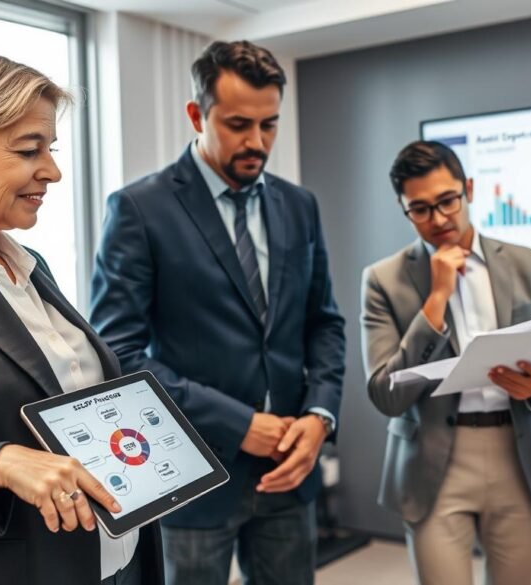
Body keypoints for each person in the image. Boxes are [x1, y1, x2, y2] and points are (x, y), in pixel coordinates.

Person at [89, 40, 345, 585]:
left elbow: (324, 323)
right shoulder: (139, 209)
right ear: (195, 115)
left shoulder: (299, 205)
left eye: (269, 125)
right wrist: (239, 423)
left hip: (289, 471)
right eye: (237, 124)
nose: (257, 142)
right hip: (192, 477)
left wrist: (319, 419)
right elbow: (119, 355)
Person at [0, 37, 163, 585]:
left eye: (51, 149)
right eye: (29, 150)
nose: (52, 172)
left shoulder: (30, 265)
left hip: (114, 560)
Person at [360, 140, 531, 585]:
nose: (439, 219)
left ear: (470, 189)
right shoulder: (383, 279)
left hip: (518, 452)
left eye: (448, 201)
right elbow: (386, 393)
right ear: (404, 210)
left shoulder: (527, 264)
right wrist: (436, 299)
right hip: (430, 459)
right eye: (420, 210)